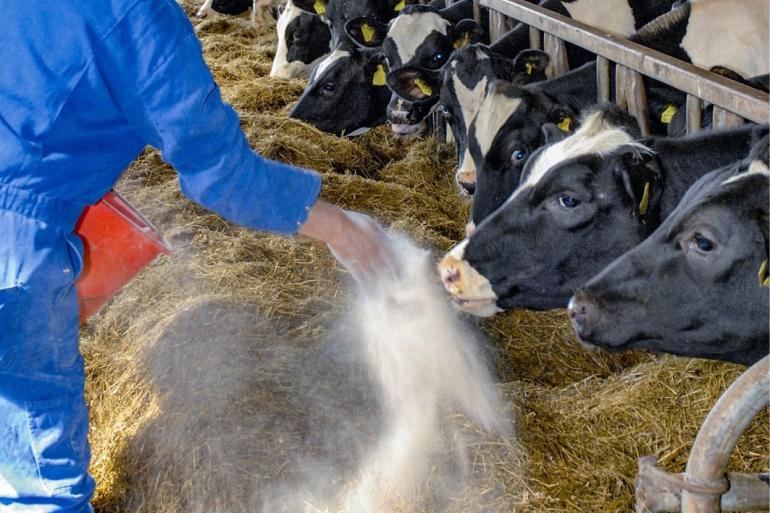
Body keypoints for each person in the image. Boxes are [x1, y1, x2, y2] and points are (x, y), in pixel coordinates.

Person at [0, 1, 394, 511]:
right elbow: (224, 176)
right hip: (15, 244)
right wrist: (341, 228)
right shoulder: (139, 18)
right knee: (40, 482)